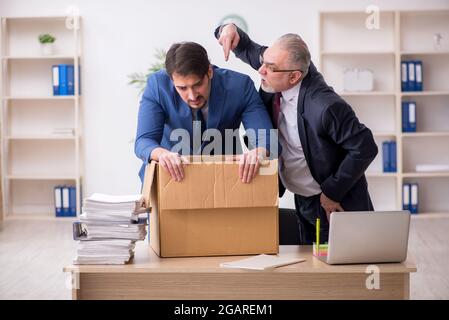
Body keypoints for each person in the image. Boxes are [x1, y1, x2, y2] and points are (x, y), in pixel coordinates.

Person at [215, 24, 378, 244]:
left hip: (335, 204)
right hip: (302, 199)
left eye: (269, 67)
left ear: (294, 77)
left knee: (341, 275)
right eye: (263, 63)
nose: (261, 70)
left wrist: (332, 192)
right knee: (309, 272)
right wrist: (228, 29)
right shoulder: (277, 66)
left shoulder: (325, 106)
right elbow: (247, 47)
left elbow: (365, 147)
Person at [135, 41, 274, 185]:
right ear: (171, 80)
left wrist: (259, 153)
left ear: (209, 72)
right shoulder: (157, 86)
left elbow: (266, 136)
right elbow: (143, 141)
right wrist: (162, 154)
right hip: (170, 181)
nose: (192, 96)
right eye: (182, 88)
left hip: (224, 182)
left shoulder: (239, 86)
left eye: (197, 85)